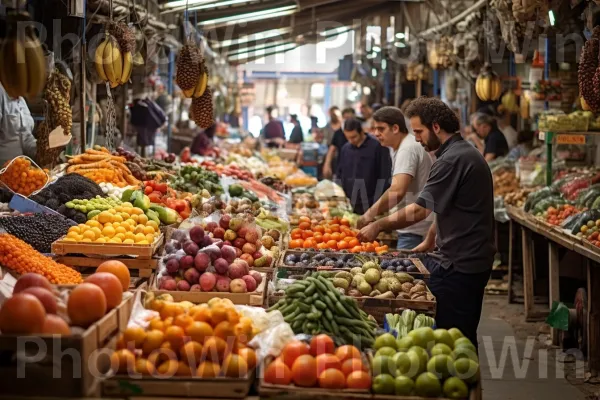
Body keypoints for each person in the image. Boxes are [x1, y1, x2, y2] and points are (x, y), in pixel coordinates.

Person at [358, 97, 494, 347]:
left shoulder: (452, 160)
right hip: (466, 257)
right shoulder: (459, 153)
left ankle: (462, 381)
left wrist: (378, 224)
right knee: (458, 335)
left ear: (436, 127)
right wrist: (431, 240)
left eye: (419, 131)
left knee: (455, 339)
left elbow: (421, 210)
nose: (417, 137)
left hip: (461, 263)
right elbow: (444, 207)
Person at [357, 106, 434, 250]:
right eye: (374, 129)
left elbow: (397, 191)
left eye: (381, 129)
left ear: (395, 128)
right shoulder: (399, 147)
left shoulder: (407, 149)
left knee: (407, 271)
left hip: (414, 230)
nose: (376, 133)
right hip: (411, 225)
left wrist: (369, 214)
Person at [336, 118, 391, 215]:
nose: (351, 140)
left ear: (361, 132)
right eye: (348, 137)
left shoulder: (377, 146)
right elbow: (340, 173)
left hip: (371, 202)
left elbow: (385, 176)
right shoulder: (345, 148)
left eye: (354, 137)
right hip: (349, 202)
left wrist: (377, 203)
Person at [0, 83, 36, 166]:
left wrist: (43, 149)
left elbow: (26, 139)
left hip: (20, 171)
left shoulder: (21, 101)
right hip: (3, 169)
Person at [323, 107, 355, 179]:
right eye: (346, 118)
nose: (348, 120)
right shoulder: (338, 133)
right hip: (342, 167)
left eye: (350, 118)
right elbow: (332, 149)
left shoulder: (359, 132)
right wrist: (327, 165)